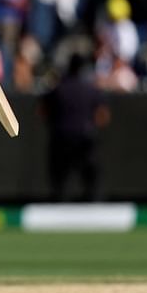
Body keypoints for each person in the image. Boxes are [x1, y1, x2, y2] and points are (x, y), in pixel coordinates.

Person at [40, 53, 111, 201]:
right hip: (85, 138)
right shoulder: (91, 89)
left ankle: (59, 201)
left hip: (62, 137)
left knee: (59, 176)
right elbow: (103, 115)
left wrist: (55, 121)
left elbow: (42, 111)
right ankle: (93, 201)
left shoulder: (59, 88)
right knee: (90, 175)